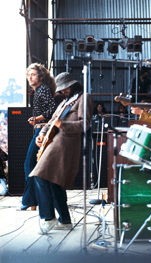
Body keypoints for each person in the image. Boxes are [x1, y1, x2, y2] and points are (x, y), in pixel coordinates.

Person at [29, 72, 94, 233]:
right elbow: (51, 121)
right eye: (62, 89)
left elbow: (85, 124)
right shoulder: (65, 101)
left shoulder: (84, 97)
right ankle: (65, 220)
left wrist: (63, 125)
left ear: (73, 85)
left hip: (66, 145)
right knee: (53, 181)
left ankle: (48, 218)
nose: (64, 91)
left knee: (39, 175)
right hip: (52, 143)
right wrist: (42, 134)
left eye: (66, 88)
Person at [18, 63, 58, 211]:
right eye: (29, 75)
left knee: (29, 164)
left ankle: (30, 200)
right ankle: (33, 201)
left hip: (42, 130)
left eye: (33, 74)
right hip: (40, 128)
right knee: (34, 165)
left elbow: (52, 109)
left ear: (41, 76)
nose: (30, 77)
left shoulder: (43, 89)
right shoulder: (39, 90)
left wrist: (37, 118)